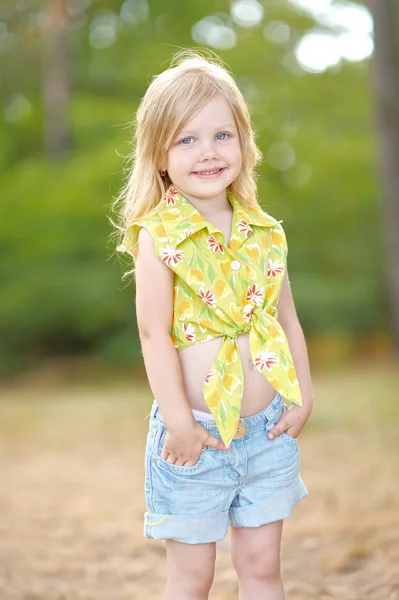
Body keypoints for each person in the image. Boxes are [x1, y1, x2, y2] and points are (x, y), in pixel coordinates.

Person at [116, 49, 313, 600]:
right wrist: (180, 422)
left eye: (222, 135)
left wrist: (303, 393)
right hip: (197, 436)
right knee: (193, 575)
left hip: (266, 432)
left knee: (262, 569)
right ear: (159, 155)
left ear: (244, 141)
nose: (207, 152)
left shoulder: (264, 231)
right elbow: (153, 335)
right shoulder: (161, 235)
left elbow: (285, 317)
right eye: (187, 139)